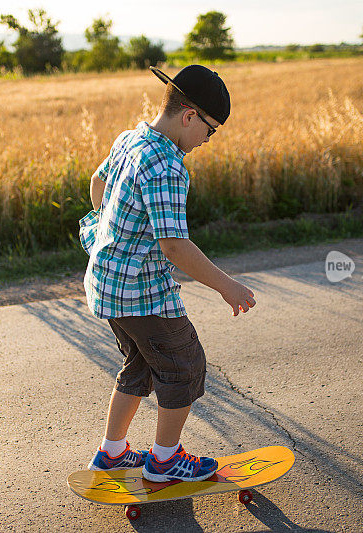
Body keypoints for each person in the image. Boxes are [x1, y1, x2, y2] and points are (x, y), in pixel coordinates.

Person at [79, 64, 256, 482]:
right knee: (184, 366)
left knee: (140, 365)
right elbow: (174, 245)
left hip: (106, 282)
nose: (207, 141)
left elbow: (96, 183)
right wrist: (226, 286)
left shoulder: (132, 139)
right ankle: (164, 461)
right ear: (190, 115)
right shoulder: (168, 167)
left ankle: (112, 452)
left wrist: (113, 224)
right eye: (210, 130)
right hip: (141, 290)